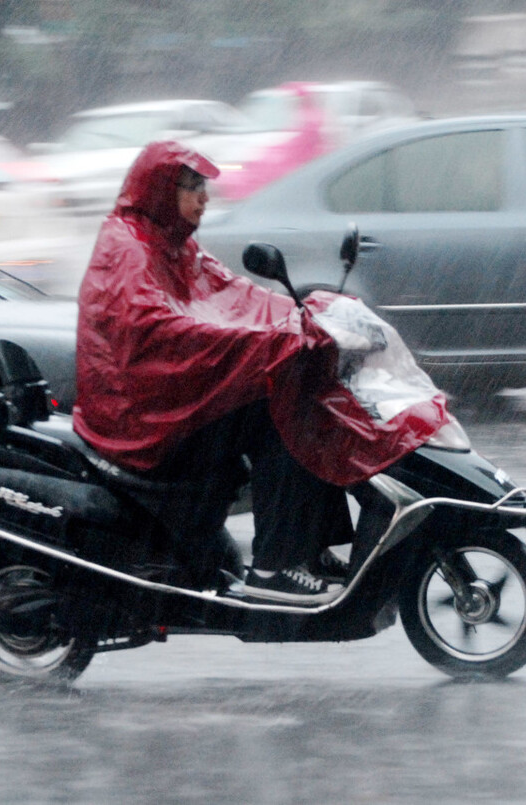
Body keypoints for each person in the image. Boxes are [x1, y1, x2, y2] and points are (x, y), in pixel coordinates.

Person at [73, 139, 353, 602]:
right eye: (192, 187)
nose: (204, 198)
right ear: (163, 190)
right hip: (140, 419)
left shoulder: (174, 244)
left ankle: (307, 548)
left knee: (305, 398)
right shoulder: (129, 248)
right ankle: (275, 568)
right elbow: (159, 330)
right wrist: (268, 342)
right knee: (279, 414)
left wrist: (308, 319)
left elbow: (235, 295)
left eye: (204, 188)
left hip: (169, 403)